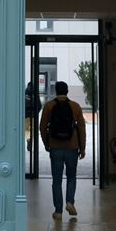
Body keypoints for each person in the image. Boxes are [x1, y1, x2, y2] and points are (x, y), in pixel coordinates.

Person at [40, 81, 86, 221]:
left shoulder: (49, 106)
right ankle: (70, 202)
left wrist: (47, 143)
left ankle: (58, 211)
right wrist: (82, 148)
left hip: (55, 148)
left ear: (56, 91)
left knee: (57, 180)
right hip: (72, 147)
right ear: (67, 91)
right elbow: (82, 129)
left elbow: (42, 127)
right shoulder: (75, 106)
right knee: (71, 177)